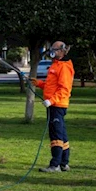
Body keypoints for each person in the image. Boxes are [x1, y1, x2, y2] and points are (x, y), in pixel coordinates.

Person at [32, 41, 75, 173]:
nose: (52, 52)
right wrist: (38, 83)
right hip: (54, 104)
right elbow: (52, 86)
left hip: (57, 105)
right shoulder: (55, 65)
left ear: (62, 51)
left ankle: (55, 165)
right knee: (62, 133)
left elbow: (64, 89)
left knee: (56, 134)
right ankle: (64, 163)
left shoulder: (64, 67)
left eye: (55, 49)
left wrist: (51, 101)